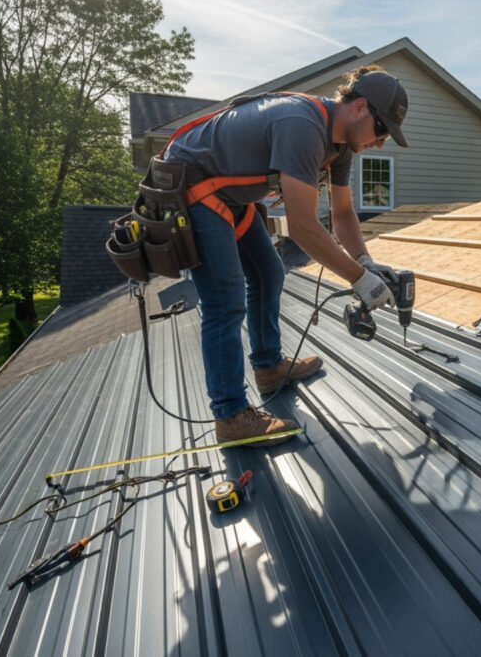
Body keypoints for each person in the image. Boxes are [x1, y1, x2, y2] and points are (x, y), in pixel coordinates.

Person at [163, 65, 409, 446]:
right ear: (360, 107)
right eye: (382, 131)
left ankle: (268, 368)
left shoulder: (342, 145)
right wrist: (360, 281)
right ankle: (230, 416)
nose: (381, 143)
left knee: (269, 273)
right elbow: (303, 227)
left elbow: (343, 214)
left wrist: (365, 263)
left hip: (229, 193)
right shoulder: (304, 125)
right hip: (194, 185)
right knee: (225, 300)